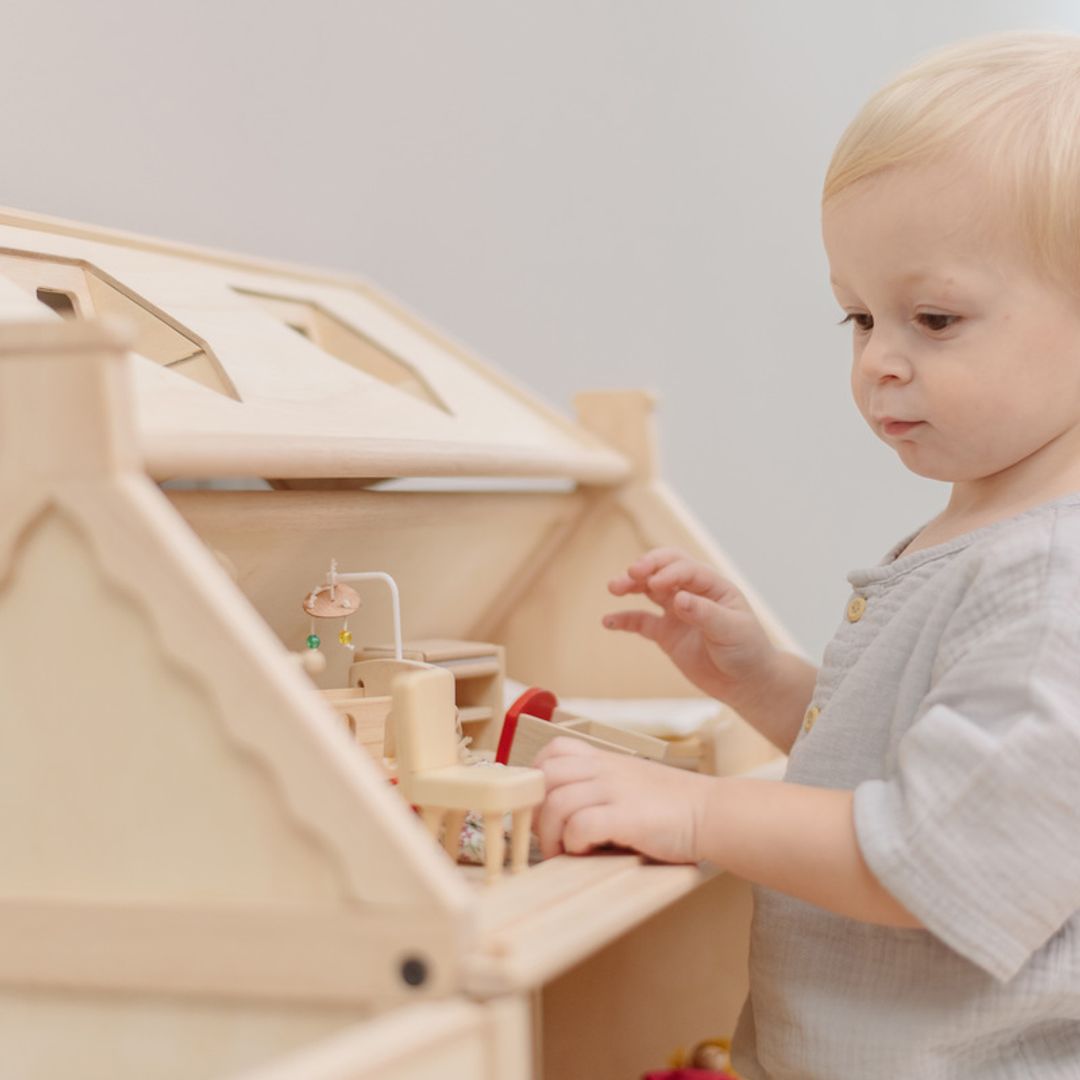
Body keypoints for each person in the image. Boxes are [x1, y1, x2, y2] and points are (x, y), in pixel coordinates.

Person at [533, 31, 1080, 1078]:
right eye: (859, 315)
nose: (878, 360)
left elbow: (933, 858)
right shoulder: (987, 533)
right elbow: (925, 769)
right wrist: (770, 682)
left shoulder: (1056, 585)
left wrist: (697, 811)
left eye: (934, 317)